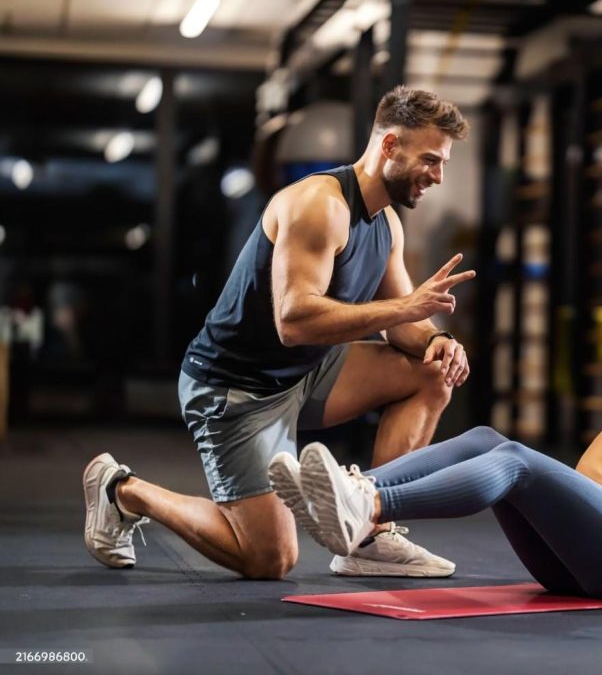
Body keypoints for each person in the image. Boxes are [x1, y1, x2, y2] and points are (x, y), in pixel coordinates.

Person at [82, 86, 476, 580]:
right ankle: (123, 491)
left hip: (306, 373)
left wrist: (436, 339)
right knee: (270, 560)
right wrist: (405, 307)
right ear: (390, 146)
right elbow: (294, 322)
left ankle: (372, 532)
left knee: (431, 372)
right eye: (431, 160)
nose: (438, 177)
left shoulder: (387, 224)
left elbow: (404, 323)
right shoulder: (319, 205)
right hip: (235, 388)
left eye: (443, 164)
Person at [274, 267, 602, 600]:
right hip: (597, 545)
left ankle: (368, 507)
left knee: (517, 464)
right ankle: (355, 489)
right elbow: (590, 469)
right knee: (485, 437)